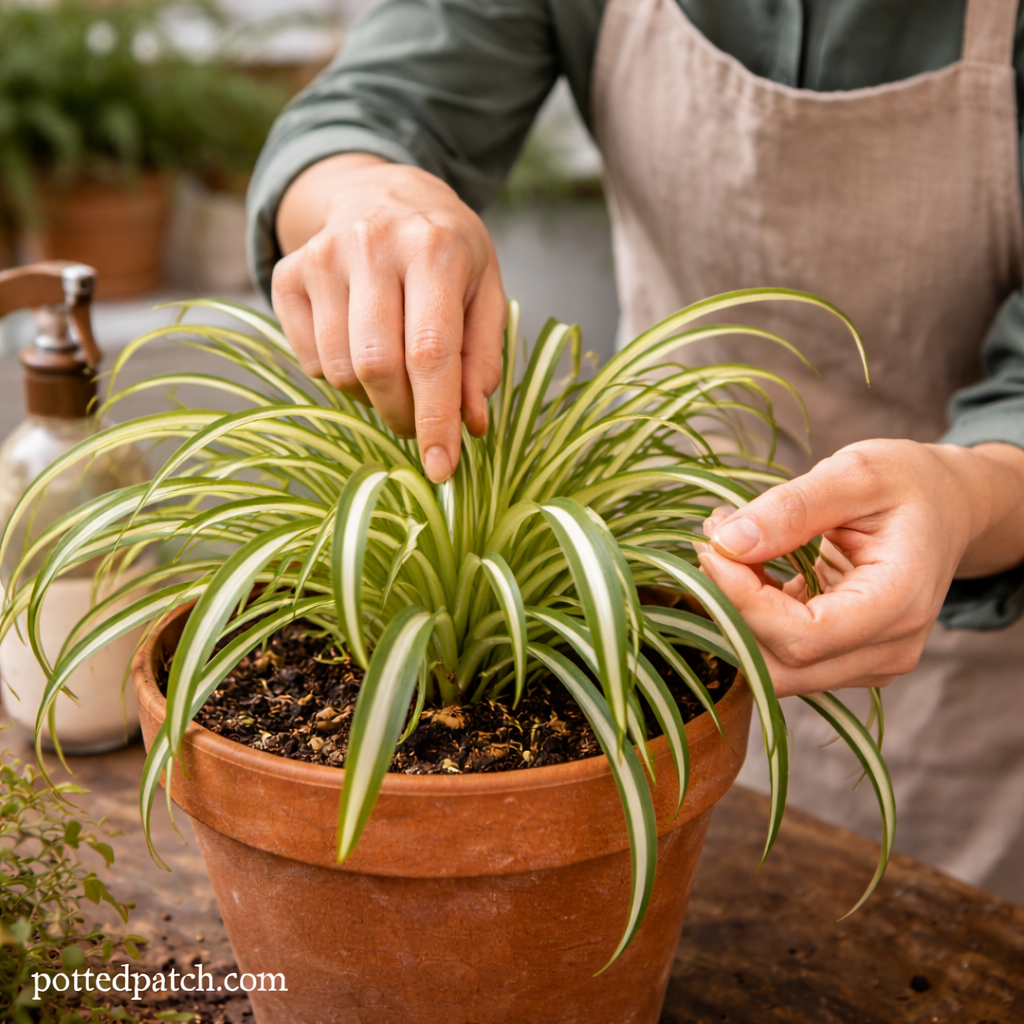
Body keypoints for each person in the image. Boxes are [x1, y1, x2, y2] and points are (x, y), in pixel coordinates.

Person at [247, 0, 1024, 901]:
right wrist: (364, 196)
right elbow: (379, 99)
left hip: (969, 643)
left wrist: (970, 494)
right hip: (644, 606)